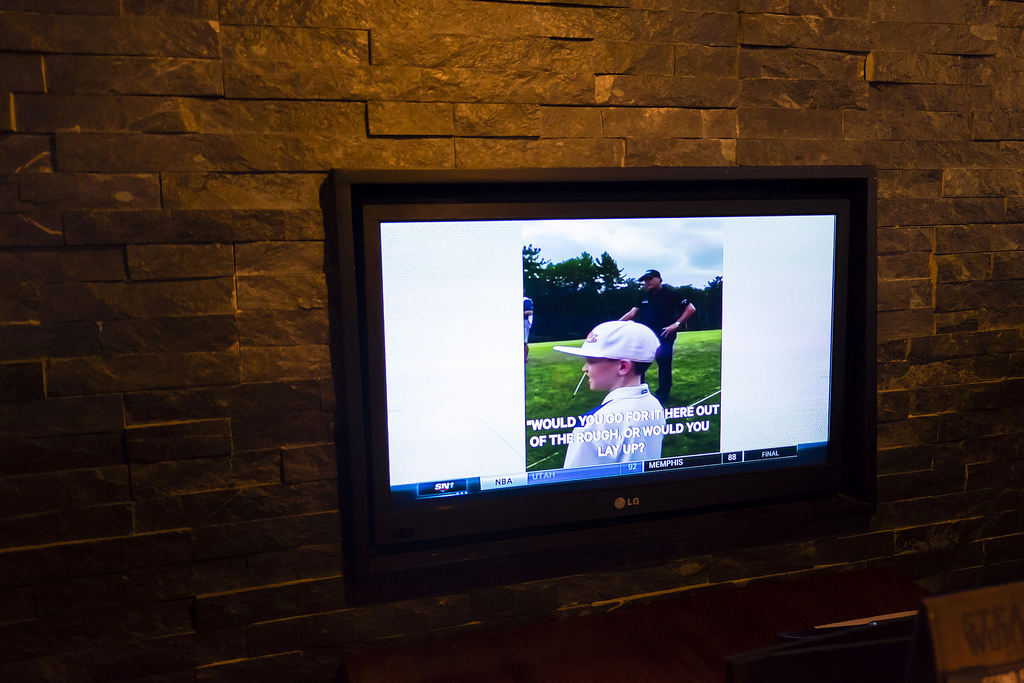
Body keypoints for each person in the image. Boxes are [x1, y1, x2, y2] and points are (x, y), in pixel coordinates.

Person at [553, 320, 666, 469]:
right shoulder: (653, 404)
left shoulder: (593, 423)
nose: (584, 368)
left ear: (623, 366)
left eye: (590, 361)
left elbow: (573, 482)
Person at [619, 269, 696, 403]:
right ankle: (637, 391)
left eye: (649, 279)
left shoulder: (671, 294)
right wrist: (616, 324)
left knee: (664, 365)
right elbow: (633, 312)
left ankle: (663, 395)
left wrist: (676, 324)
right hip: (645, 335)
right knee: (639, 363)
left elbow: (691, 309)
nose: (646, 282)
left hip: (664, 335)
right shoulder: (643, 296)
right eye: (644, 280)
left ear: (659, 279)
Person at [523, 294, 534, 362]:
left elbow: (530, 312)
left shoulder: (525, 300)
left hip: (524, 322)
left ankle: (525, 359)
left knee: (524, 341)